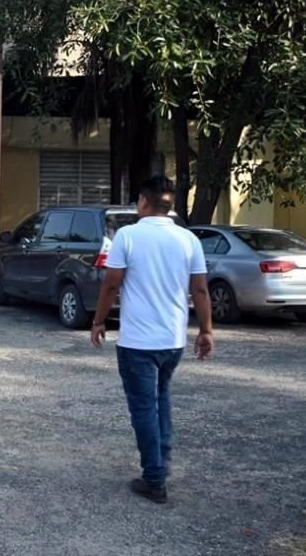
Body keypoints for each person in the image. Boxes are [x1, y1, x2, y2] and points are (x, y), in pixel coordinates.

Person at [90, 175, 214, 504]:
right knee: (161, 398)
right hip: (173, 339)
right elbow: (200, 289)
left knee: (145, 407)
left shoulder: (128, 236)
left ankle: (154, 477)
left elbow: (111, 284)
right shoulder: (188, 240)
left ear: (143, 202)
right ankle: (162, 459)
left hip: (137, 342)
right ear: (170, 204)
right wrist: (206, 330)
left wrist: (99, 320)